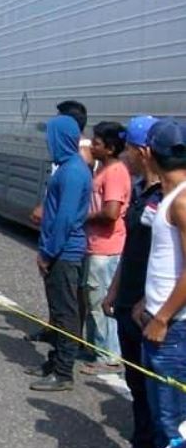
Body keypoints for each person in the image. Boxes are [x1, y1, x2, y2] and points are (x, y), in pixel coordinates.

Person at [94, 115, 160, 448]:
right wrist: (114, 290)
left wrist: (150, 302)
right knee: (137, 387)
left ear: (144, 151)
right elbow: (132, 247)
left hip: (149, 310)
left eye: (130, 149)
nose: (126, 155)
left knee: (158, 396)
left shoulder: (169, 198)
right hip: (128, 302)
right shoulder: (142, 191)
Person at [25, 113, 92, 391]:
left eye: (50, 137)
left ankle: (64, 372)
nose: (48, 142)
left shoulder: (73, 171)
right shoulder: (66, 167)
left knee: (66, 314)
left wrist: (48, 253)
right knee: (57, 311)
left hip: (65, 253)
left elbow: (65, 219)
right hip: (58, 250)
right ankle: (54, 362)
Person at [134, 119, 186, 448]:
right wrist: (146, 301)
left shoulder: (181, 201)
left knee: (172, 425)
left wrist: (163, 317)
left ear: (148, 153)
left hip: (174, 329)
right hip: (158, 319)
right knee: (159, 419)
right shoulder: (169, 197)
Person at [81, 121, 131, 374]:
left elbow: (111, 212)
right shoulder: (103, 168)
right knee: (91, 298)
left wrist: (84, 216)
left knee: (100, 301)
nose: (92, 146)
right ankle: (94, 347)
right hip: (96, 245)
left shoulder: (115, 173)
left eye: (97, 143)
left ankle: (108, 355)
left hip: (106, 247)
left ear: (110, 148)